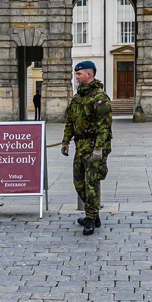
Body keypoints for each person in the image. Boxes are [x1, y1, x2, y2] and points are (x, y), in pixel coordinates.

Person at [61, 60, 113, 236]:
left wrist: (99, 149)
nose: (76, 77)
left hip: (94, 145)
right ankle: (94, 213)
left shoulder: (99, 97)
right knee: (79, 183)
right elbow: (70, 121)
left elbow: (104, 125)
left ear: (88, 75)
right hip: (80, 144)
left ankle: (90, 218)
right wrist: (65, 141)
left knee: (91, 183)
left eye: (79, 74)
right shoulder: (78, 97)